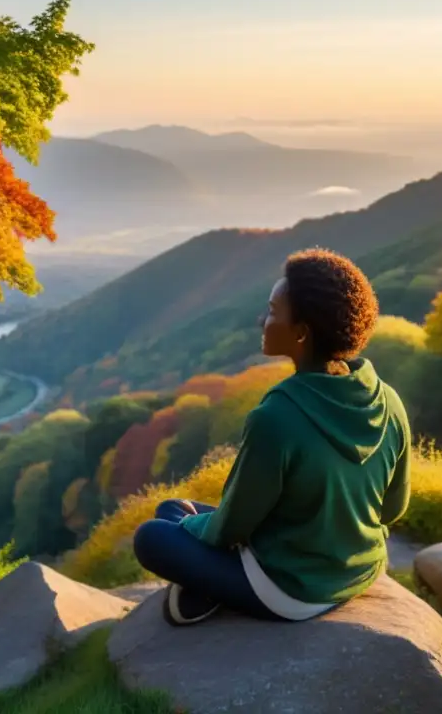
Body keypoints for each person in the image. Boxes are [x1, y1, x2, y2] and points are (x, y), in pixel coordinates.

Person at [133, 248, 412, 626]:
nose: (261, 319)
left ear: (301, 333)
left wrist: (192, 530)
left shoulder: (277, 417)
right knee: (174, 509)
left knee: (155, 534)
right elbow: (392, 510)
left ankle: (210, 588)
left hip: (294, 590)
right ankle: (213, 583)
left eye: (272, 311)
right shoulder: (389, 401)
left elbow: (232, 528)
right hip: (361, 569)